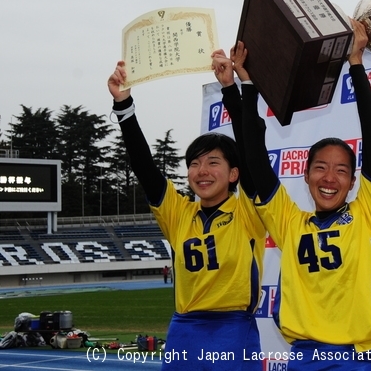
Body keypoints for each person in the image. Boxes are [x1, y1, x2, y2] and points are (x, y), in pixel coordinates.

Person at [239, 20, 371, 370]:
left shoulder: (368, 212)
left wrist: (356, 62)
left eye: (341, 170)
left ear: (353, 181)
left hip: (358, 361)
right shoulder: (291, 223)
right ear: (306, 174)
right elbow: (254, 159)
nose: (330, 178)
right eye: (320, 167)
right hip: (304, 360)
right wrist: (247, 85)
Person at [107, 59, 266, 371]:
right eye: (194, 163)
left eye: (212, 163)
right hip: (184, 333)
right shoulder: (180, 213)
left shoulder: (249, 210)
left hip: (233, 332)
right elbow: (145, 168)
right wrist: (123, 104)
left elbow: (250, 151)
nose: (201, 171)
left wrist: (230, 90)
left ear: (234, 173)